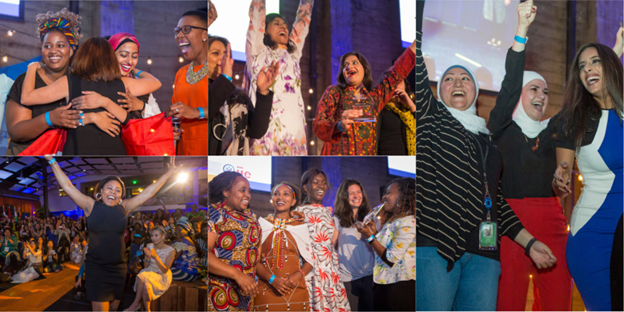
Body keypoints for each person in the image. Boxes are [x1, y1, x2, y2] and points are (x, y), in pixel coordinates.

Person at [415, 1, 557, 310]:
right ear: (438, 93)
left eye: (465, 78)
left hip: (484, 255)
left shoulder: (488, 142)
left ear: (476, 93)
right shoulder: (431, 120)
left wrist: (530, 244)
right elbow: (416, 57)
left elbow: (497, 203)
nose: (457, 82)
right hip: (436, 249)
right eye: (449, 78)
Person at [488, 3, 573, 310]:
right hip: (511, 225)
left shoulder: (554, 129)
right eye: (534, 88)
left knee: (557, 298)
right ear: (520, 94)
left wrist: (613, 55)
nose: (541, 96)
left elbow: (580, 99)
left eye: (546, 91)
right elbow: (510, 82)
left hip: (552, 220)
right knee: (507, 299)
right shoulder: (501, 127)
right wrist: (522, 32)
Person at [44, 155, 179, 311]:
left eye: (117, 190)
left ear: (120, 196)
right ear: (101, 190)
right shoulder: (90, 205)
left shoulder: (124, 208)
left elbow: (146, 193)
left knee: (114, 308)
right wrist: (52, 161)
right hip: (97, 267)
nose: (113, 192)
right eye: (109, 187)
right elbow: (67, 186)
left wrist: (169, 174)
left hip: (119, 268)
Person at [553, 28, 623, 311]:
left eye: (595, 62)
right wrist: (561, 173)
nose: (588, 69)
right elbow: (564, 165)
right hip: (593, 236)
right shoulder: (575, 119)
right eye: (582, 66)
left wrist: (616, 50)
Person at [20, 37, 162, 155]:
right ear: (110, 58)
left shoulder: (68, 82)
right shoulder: (124, 84)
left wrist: (31, 68)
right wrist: (134, 69)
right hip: (115, 154)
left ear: (82, 56)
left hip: (77, 152)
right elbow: (155, 82)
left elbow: (26, 98)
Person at [4, 8, 96, 155]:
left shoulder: (80, 81)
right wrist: (50, 118)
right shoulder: (26, 81)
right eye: (47, 46)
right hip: (27, 159)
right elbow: (16, 132)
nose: (53, 51)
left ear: (71, 50)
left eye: (60, 45)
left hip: (64, 159)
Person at [313, 42, 416, 155]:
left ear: (364, 69)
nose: (349, 66)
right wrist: (339, 126)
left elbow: (398, 70)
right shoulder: (334, 92)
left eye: (354, 63)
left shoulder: (374, 97)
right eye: (345, 65)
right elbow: (319, 125)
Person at [246, 0, 314, 155]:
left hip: (294, 133)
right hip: (264, 131)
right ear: (264, 29)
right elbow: (257, 13)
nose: (284, 27)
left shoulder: (293, 53)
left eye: (285, 25)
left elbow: (303, 20)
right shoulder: (258, 52)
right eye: (277, 23)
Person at [207, 32, 278, 155]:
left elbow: (255, 131)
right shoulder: (199, 91)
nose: (222, 59)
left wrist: (263, 92)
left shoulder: (239, 96)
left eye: (225, 55)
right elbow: (208, 109)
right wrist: (224, 78)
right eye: (215, 53)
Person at [294, 169, 350, 311]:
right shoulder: (298, 213)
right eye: (316, 182)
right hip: (312, 272)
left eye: (324, 183)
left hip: (330, 272)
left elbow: (332, 242)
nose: (321, 186)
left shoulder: (327, 212)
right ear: (305, 187)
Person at [254, 182, 314, 311]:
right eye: (276, 194)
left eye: (286, 194)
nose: (280, 197)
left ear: (293, 202)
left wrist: (297, 276)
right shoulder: (261, 225)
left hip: (296, 289)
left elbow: (310, 261)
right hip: (266, 289)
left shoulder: (300, 227)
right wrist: (272, 279)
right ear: (272, 200)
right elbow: (253, 261)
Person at [357, 178, 415, 311]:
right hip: (385, 284)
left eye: (388, 193)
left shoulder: (408, 222)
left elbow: (391, 258)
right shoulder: (393, 222)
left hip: (400, 288)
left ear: (402, 196)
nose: (384, 196)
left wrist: (370, 237)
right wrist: (374, 233)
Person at [207, 172, 260, 311]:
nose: (247, 195)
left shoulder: (251, 218)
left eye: (249, 191)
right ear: (225, 191)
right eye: (242, 190)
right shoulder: (215, 213)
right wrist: (237, 274)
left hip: (245, 296)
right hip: (220, 293)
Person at [167, 9, 209, 156]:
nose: (179, 36)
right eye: (177, 31)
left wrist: (197, 112)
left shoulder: (219, 68)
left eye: (186, 29)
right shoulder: (181, 73)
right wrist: (170, 127)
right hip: (184, 151)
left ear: (205, 34)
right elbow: (176, 115)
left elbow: (227, 109)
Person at [333, 179, 375, 311]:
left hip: (370, 276)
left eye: (358, 191)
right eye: (351, 193)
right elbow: (331, 247)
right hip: (348, 279)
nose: (356, 195)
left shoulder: (369, 218)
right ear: (344, 197)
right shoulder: (336, 219)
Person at [108, 32, 161, 118]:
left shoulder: (141, 83)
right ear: (110, 55)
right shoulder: (100, 79)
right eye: (123, 55)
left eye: (134, 56)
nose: (130, 61)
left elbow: (158, 117)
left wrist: (142, 106)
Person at [125, 226, 175, 312]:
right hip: (149, 271)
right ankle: (147, 310)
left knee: (142, 276)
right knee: (145, 286)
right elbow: (146, 266)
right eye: (152, 235)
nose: (153, 238)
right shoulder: (149, 245)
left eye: (156, 235)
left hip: (161, 275)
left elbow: (165, 270)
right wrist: (148, 257)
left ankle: (135, 304)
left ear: (163, 236)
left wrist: (156, 257)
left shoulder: (171, 250)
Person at [377, 78, 416, 155]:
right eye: (391, 83)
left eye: (399, 82)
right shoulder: (380, 109)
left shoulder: (409, 108)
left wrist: (411, 105)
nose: (395, 86)